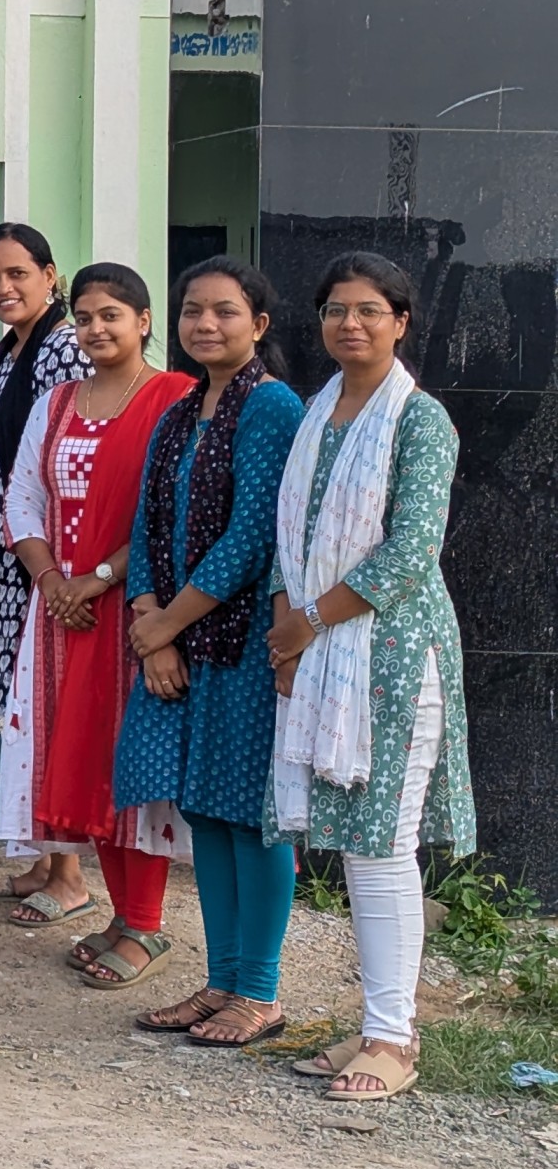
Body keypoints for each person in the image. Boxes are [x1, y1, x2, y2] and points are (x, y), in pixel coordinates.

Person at [263, 252, 471, 1103]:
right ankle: (375, 1022)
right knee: (353, 844)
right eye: (336, 310)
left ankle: (393, 1038)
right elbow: (293, 534)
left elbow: (410, 552)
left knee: (383, 845)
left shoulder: (420, 421)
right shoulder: (321, 413)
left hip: (391, 656)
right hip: (320, 651)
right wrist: (290, 625)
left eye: (369, 310)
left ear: (401, 322)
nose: (351, 324)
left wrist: (306, 623)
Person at [112, 259, 302, 1050]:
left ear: (258, 325)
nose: (205, 325)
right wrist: (148, 613)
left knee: (250, 816)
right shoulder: (181, 411)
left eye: (225, 312)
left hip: (244, 644)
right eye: (193, 311)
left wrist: (166, 627)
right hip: (183, 640)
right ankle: (222, 980)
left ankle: (258, 990)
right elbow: (149, 527)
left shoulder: (272, 407)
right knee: (205, 811)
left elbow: (252, 537)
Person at [0, 262, 194, 989]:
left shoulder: (176, 399)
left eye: (113, 314)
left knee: (131, 764)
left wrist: (100, 578)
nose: (96, 329)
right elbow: (22, 501)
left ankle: (146, 924)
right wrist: (52, 581)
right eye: (84, 317)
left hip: (139, 614)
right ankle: (120, 913)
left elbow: (171, 511)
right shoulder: (57, 402)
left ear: (145, 321)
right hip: (60, 616)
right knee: (83, 765)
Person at [0, 222, 92, 916]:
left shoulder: (61, 348)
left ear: (50, 274)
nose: (4, 289)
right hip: (0, 564)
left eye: (17, 274)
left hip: (42, 566)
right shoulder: (8, 351)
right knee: (23, 711)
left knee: (48, 705)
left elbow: (63, 456)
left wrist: (52, 567)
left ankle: (67, 873)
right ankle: (43, 860)